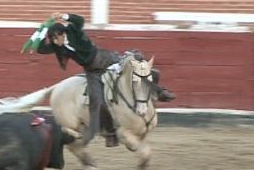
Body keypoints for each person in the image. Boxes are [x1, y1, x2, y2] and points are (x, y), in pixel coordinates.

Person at [36, 12, 176, 147]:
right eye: (52, 39)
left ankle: (160, 92)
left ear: (62, 33)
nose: (55, 42)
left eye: (56, 38)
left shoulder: (73, 30)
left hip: (106, 59)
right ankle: (109, 134)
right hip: (92, 71)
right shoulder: (58, 47)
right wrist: (43, 28)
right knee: (96, 100)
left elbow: (79, 20)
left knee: (141, 71)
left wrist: (63, 16)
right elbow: (41, 49)